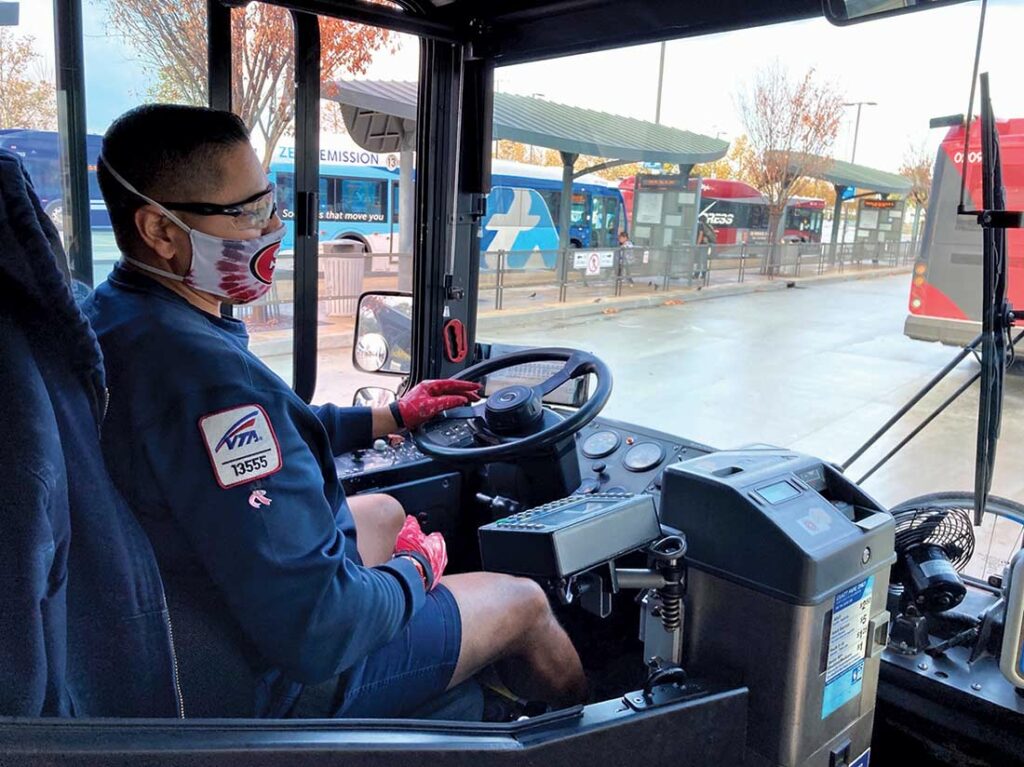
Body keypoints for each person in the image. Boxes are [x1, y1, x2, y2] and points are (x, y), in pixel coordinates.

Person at [82, 104, 586, 720]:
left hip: (189, 605)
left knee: (385, 507)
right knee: (525, 602)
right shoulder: (206, 381)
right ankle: (588, 737)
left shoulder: (119, 314)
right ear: (159, 231)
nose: (272, 226)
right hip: (272, 678)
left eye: (271, 202)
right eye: (248, 213)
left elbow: (262, 438)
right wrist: (415, 569)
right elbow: (320, 631)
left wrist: (389, 418)